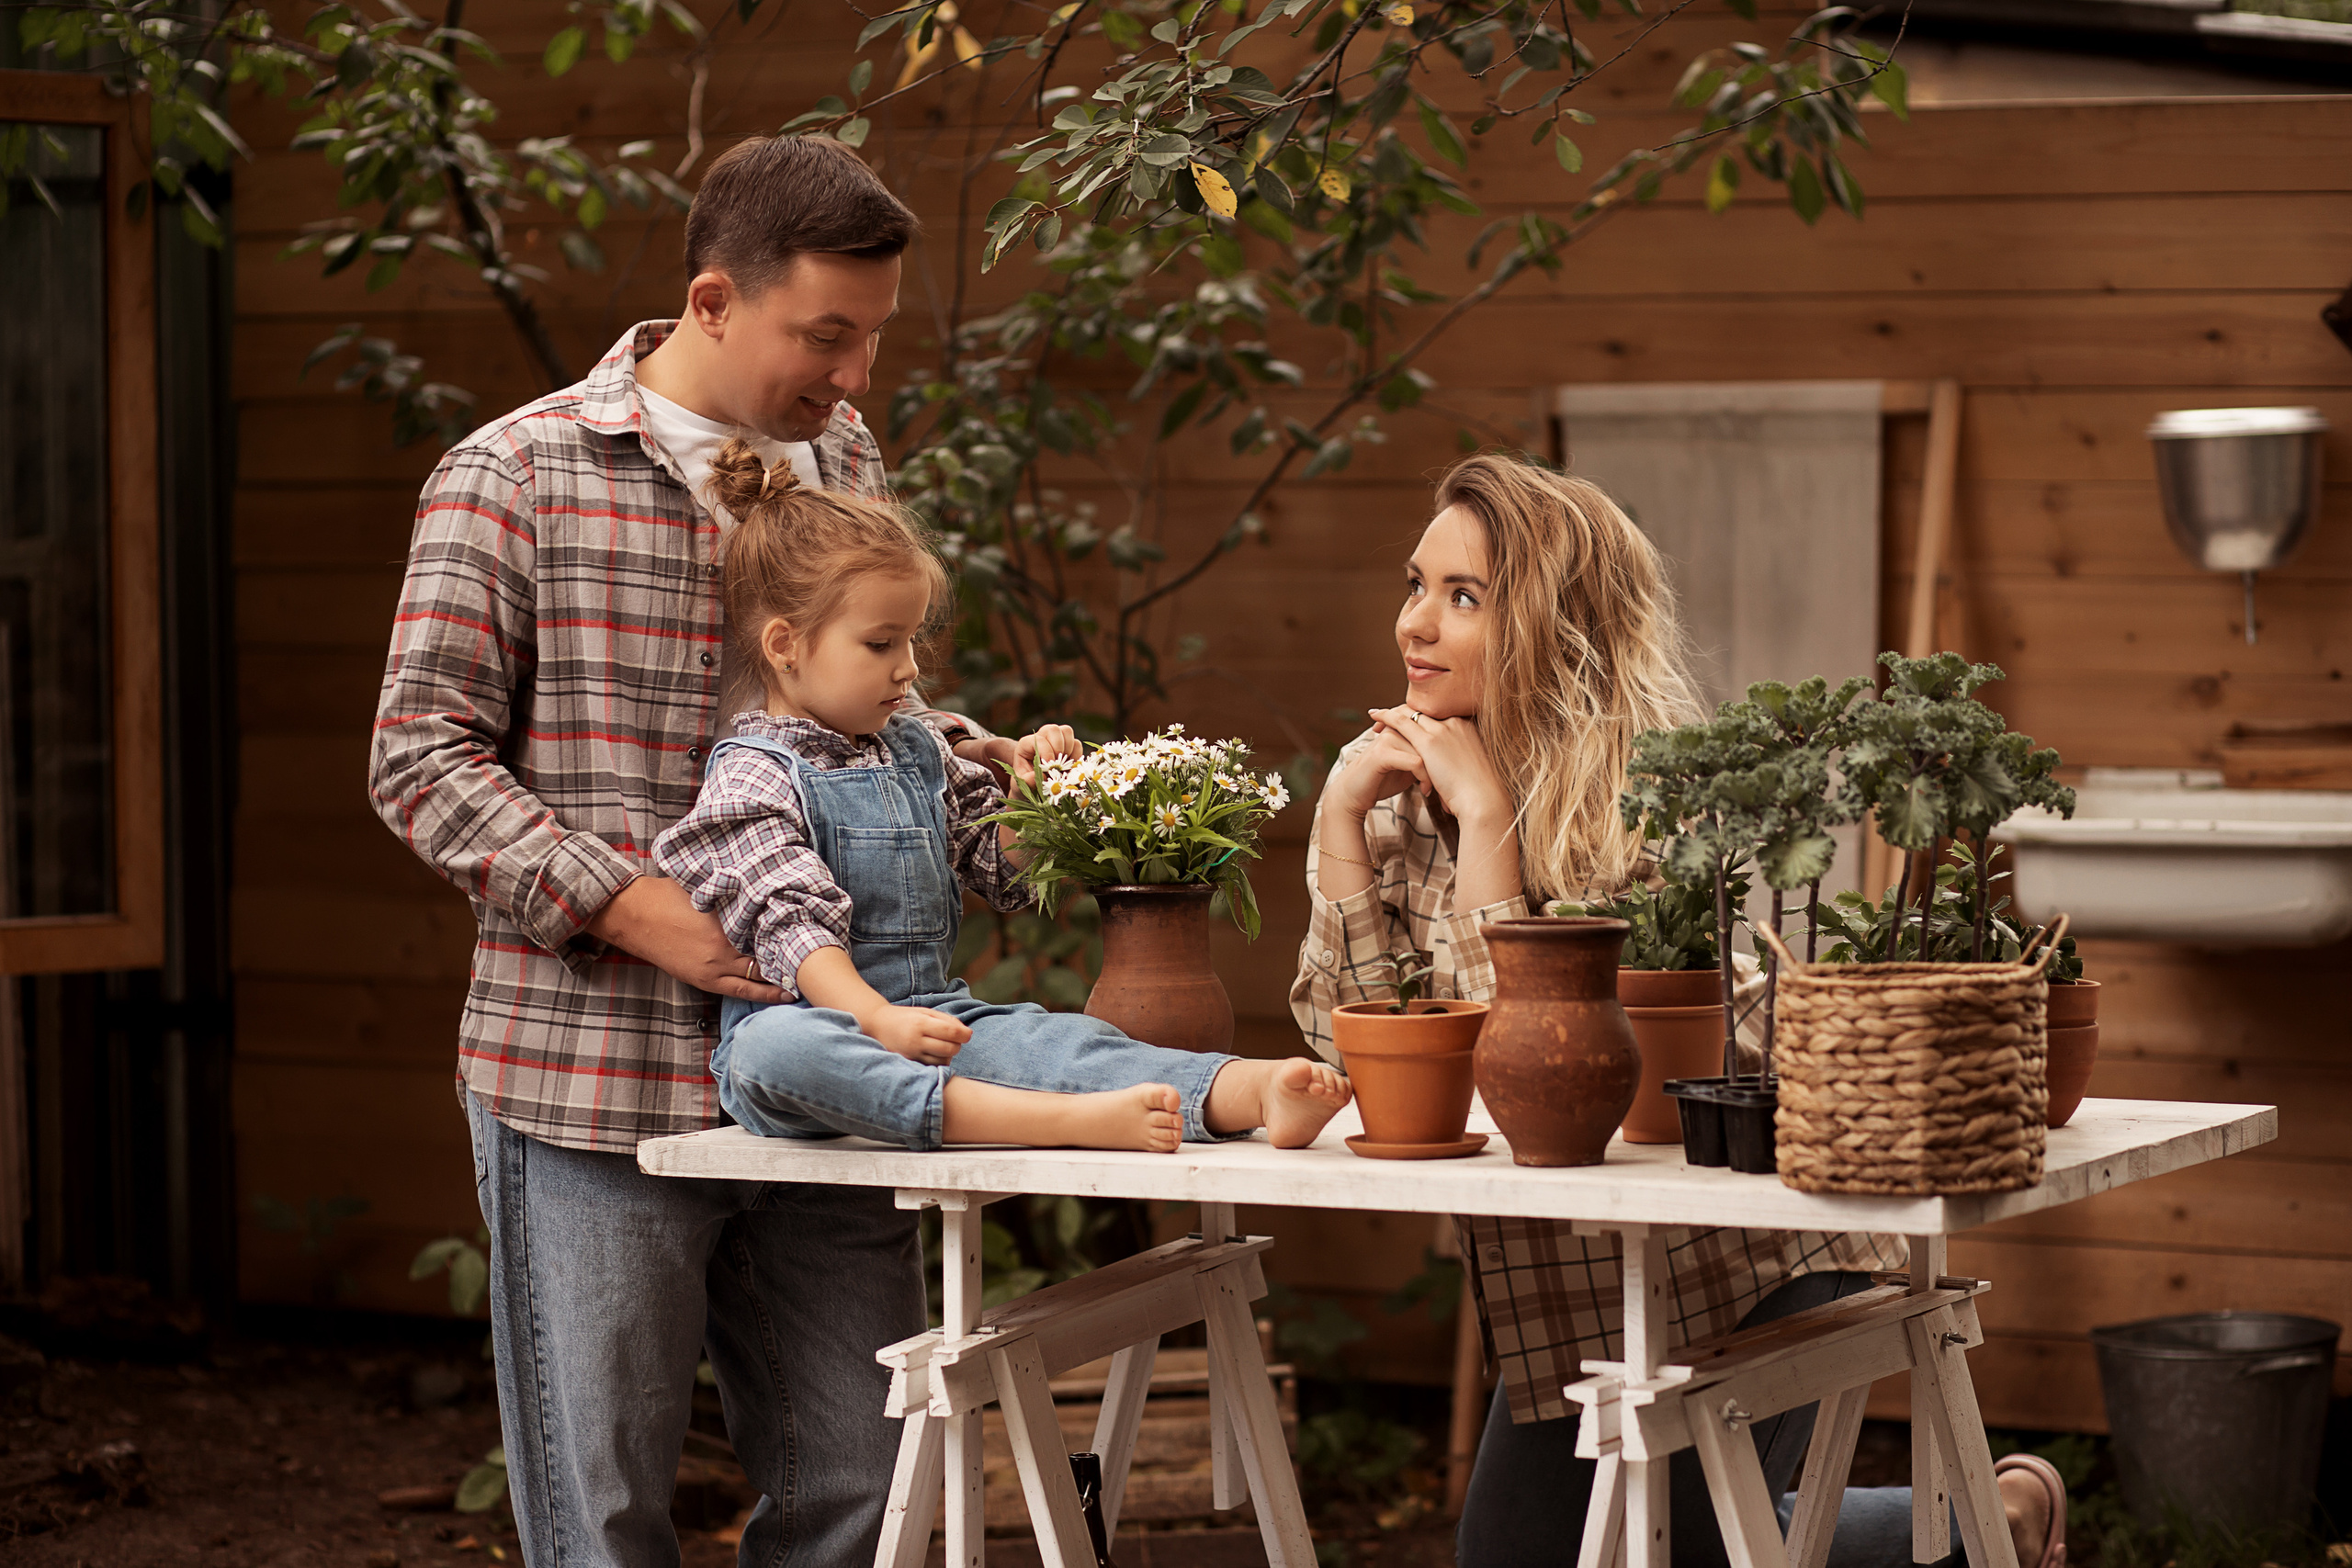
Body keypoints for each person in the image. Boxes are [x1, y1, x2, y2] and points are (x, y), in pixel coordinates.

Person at [369, 136, 1014, 1568]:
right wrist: (623, 902)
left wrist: (980, 759)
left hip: (822, 1070)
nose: (853, 376)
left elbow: (846, 703)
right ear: (715, 302)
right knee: (602, 1525)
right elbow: (418, 757)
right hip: (590, 1079)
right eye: (824, 334)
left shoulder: (841, 456)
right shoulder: (515, 472)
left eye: (872, 337)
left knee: (865, 1486)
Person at [1286, 453, 2066, 1568]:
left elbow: (1540, 1076)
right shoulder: (1407, 796)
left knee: (1683, 1550)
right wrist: (1336, 826)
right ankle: (2002, 1521)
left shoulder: (1642, 796)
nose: (1415, 623)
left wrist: (1489, 818)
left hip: (1750, 1254)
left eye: (1464, 598)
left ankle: (1996, 1526)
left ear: (1557, 630)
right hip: (1578, 1280)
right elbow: (1355, 1058)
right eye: (1416, 584)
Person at [651, 440, 1351, 1153]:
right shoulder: (751, 775)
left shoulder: (918, 750)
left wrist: (1033, 798)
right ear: (784, 645)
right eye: (882, 643)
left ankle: (1249, 1089)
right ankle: (1052, 1121)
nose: (910, 666)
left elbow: (1004, 875)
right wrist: (875, 1020)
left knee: (1060, 1041)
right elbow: (795, 929)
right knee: (775, 1050)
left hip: (934, 1015)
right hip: (826, 1026)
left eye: (913, 639)